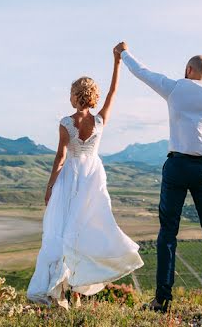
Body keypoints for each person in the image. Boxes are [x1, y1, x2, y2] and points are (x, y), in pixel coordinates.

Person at [115, 41, 202, 311]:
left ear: (189, 70)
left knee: (168, 233)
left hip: (177, 166)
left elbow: (143, 72)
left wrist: (123, 53)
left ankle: (162, 299)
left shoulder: (175, 87)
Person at [26, 46, 143, 308]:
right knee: (83, 231)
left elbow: (60, 158)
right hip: (92, 178)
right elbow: (113, 92)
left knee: (63, 231)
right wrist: (116, 63)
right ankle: (75, 294)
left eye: (70, 93)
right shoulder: (100, 121)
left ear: (76, 96)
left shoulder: (66, 123)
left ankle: (62, 292)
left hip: (70, 179)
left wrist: (50, 186)